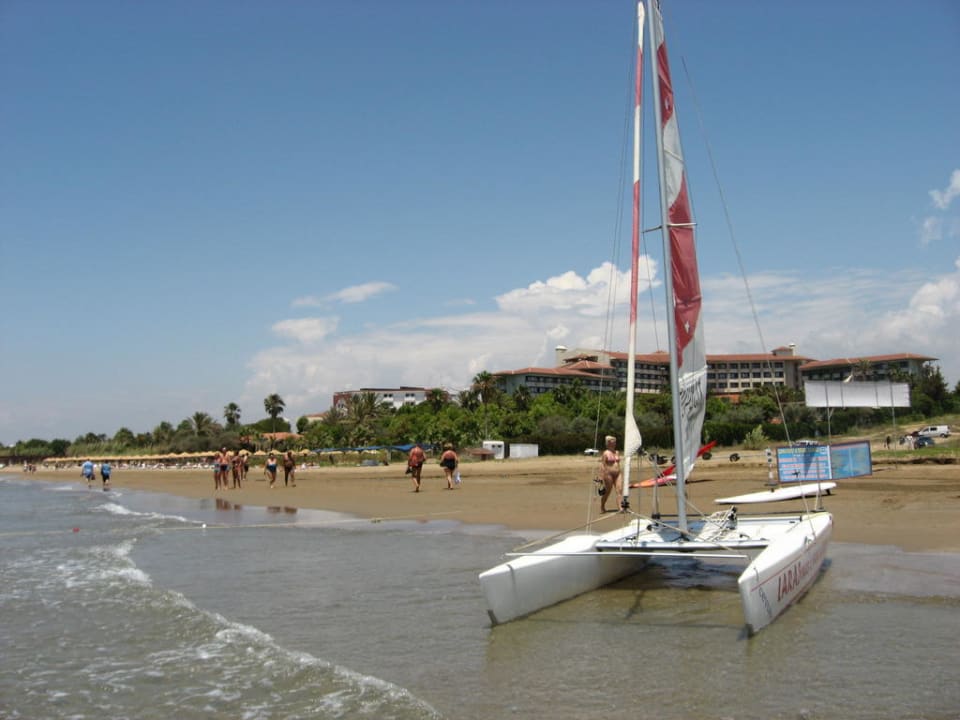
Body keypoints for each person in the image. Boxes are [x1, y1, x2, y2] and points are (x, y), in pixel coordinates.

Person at [598, 435, 622, 513]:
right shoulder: (605, 453)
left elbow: (617, 463)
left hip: (618, 473)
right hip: (608, 474)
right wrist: (601, 477)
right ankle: (602, 506)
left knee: (619, 490)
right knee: (608, 491)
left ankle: (620, 507)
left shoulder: (617, 452)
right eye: (612, 442)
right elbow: (602, 465)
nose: (614, 444)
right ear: (608, 443)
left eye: (615, 442)